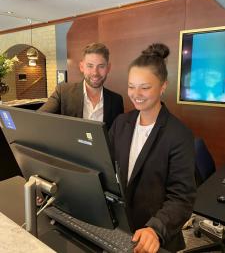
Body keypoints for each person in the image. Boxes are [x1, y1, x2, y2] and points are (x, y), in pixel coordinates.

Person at [109, 43, 196, 253]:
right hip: (119, 230)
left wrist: (155, 229)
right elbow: (106, 168)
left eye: (145, 87)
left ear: (163, 86)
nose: (136, 94)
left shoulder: (179, 134)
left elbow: (182, 198)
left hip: (155, 238)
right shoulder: (121, 123)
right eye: (131, 86)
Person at [39, 42, 124, 130]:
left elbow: (117, 135)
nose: (95, 73)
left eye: (101, 66)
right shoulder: (63, 92)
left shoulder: (116, 101)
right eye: (90, 66)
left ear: (108, 68)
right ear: (81, 67)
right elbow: (38, 120)